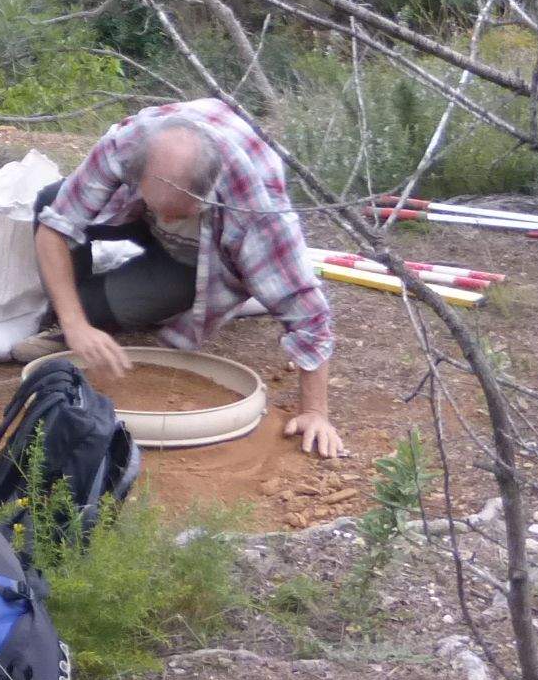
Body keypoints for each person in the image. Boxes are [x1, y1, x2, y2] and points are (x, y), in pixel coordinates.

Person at [29, 99, 346, 458]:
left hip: (196, 253)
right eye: (159, 206)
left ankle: (194, 285)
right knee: (51, 200)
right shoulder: (127, 145)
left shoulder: (257, 212)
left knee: (111, 305)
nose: (167, 220)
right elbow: (55, 227)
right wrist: (74, 323)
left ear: (209, 190)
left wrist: (315, 412)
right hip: (135, 212)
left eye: (178, 213)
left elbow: (308, 314)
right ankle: (77, 325)